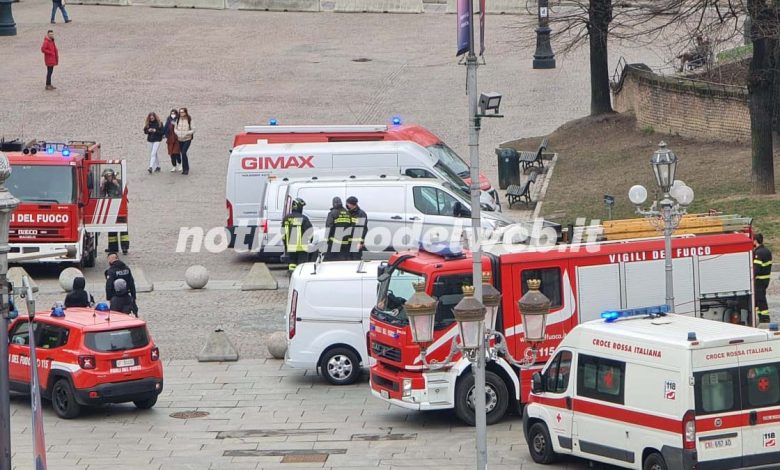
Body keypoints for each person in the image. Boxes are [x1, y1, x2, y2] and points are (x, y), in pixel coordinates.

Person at [100, 169, 130, 253]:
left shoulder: (120, 182)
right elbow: (102, 195)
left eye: (110, 176)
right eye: (107, 176)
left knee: (123, 227)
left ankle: (125, 247)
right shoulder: (106, 185)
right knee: (111, 228)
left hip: (121, 207)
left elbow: (125, 192)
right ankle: (113, 248)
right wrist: (102, 185)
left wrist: (117, 185)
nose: (109, 178)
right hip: (111, 207)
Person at [282, 198, 313, 271]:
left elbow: (283, 235)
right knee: (301, 269)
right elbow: (310, 232)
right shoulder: (303, 218)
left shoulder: (286, 218)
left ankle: (291, 279)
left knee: (292, 267)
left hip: (290, 248)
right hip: (302, 249)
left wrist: (286, 247)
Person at [324, 197, 353, 261]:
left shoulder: (332, 213)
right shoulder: (348, 213)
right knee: (342, 262)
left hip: (334, 242)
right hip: (345, 243)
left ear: (333, 203)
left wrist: (327, 239)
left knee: (330, 261)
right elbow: (351, 227)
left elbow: (329, 227)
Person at [754, 233, 773, 323]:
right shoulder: (767, 251)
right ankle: (762, 316)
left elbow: (756, 268)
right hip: (765, 279)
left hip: (760, 280)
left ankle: (764, 317)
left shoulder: (758, 253)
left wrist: (751, 277)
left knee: (760, 298)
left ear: (755, 241)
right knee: (759, 298)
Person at [345, 196, 368, 261]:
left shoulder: (361, 214)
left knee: (355, 260)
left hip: (356, 242)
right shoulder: (348, 213)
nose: (347, 205)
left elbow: (363, 229)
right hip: (348, 243)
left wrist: (361, 242)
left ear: (352, 204)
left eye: (348, 204)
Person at [174, 107, 194, 175]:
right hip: (180, 139)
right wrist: (177, 133)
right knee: (182, 153)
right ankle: (184, 168)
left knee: (183, 152)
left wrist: (187, 133)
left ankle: (186, 169)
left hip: (187, 139)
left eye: (182, 112)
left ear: (185, 112)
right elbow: (175, 128)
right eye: (180, 112)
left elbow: (194, 129)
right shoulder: (177, 119)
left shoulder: (189, 119)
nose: (181, 113)